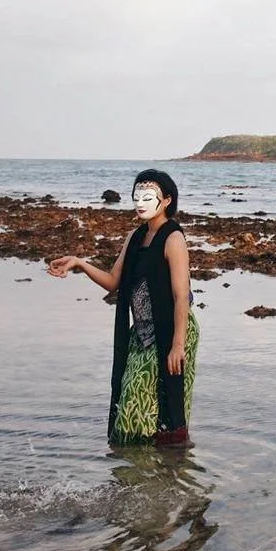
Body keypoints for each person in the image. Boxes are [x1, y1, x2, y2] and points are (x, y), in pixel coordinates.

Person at [48, 169, 198, 446]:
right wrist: (80, 262)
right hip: (141, 335)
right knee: (129, 404)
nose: (140, 201)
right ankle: (143, 471)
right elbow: (113, 282)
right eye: (136, 195)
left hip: (172, 332)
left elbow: (180, 296)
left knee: (162, 405)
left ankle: (174, 463)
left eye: (148, 196)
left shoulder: (174, 239)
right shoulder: (135, 237)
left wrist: (178, 345)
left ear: (166, 200)